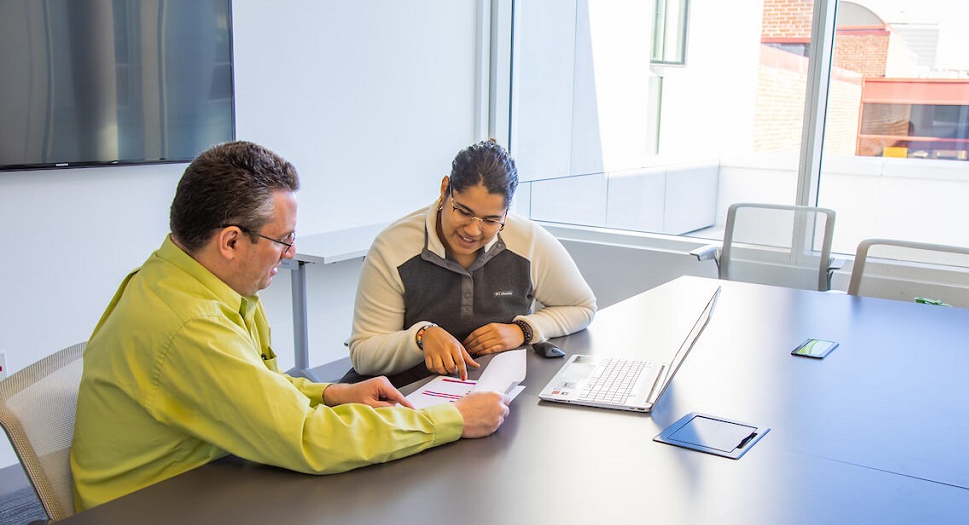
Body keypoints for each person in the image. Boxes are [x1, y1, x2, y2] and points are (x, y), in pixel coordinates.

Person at [70, 141, 509, 511]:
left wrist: (331, 392)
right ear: (230, 241)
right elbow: (308, 438)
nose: (289, 252)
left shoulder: (191, 281)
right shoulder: (192, 325)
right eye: (283, 239)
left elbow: (257, 385)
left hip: (208, 473)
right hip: (155, 506)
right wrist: (451, 419)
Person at [349, 139, 597, 382]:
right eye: (464, 212)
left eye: (490, 220)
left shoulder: (528, 241)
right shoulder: (393, 247)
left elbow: (582, 307)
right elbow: (363, 353)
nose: (473, 230)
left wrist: (524, 330)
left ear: (506, 212)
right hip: (406, 394)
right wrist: (421, 337)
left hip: (492, 389)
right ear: (445, 189)